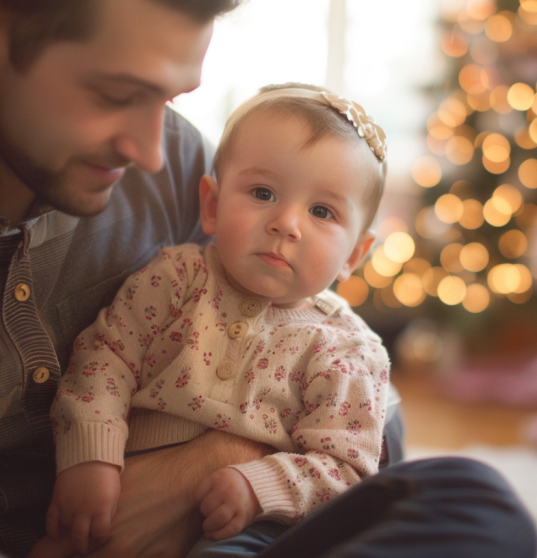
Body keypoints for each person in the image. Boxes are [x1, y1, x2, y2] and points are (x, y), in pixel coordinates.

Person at [0, 0, 537, 556]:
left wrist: (214, 467)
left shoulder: (167, 159)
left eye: (167, 99)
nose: (149, 151)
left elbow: (340, 395)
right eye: (115, 93)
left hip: (216, 528)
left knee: (474, 502)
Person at [47, 84, 390, 555]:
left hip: (253, 528)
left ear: (354, 253)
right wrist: (91, 456)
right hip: (118, 496)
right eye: (263, 192)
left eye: (321, 211)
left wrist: (261, 485)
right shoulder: (177, 277)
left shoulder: (349, 348)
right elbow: (105, 359)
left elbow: (346, 467)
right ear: (211, 205)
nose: (286, 223)